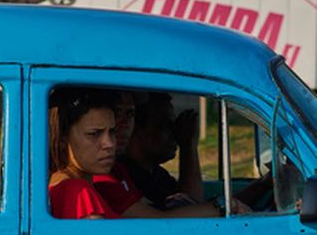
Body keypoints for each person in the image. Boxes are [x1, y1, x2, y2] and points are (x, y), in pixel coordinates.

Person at [94, 91, 248, 218]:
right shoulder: (105, 177)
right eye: (165, 125)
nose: (124, 124)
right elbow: (160, 219)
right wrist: (223, 206)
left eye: (130, 114)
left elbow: (188, 204)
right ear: (139, 130)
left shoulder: (124, 173)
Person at [48, 88, 120, 219]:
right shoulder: (77, 190)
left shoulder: (64, 185)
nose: (109, 143)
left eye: (112, 131)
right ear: (63, 140)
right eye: (94, 134)